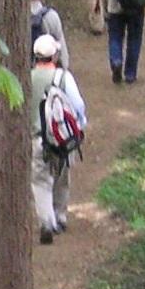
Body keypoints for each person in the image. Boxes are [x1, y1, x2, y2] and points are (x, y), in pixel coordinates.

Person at [30, 32, 88, 245]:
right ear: (54, 56)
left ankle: (47, 222)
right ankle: (60, 216)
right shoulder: (64, 78)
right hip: (62, 139)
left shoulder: (26, 78)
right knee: (62, 177)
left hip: (36, 139)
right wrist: (80, 126)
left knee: (40, 181)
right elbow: (78, 105)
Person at [29, 0, 71, 72]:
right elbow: (61, 44)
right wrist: (65, 69)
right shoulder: (51, 16)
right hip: (49, 69)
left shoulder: (17, 16)